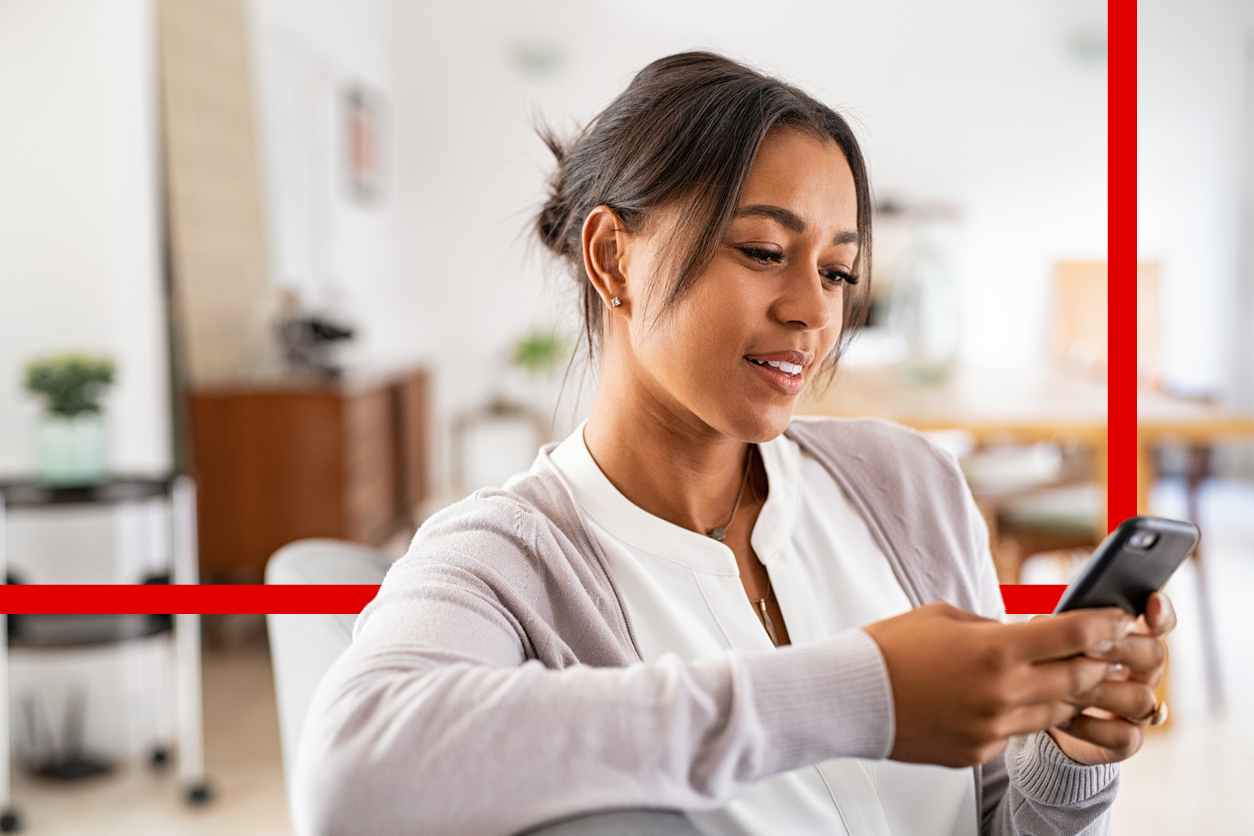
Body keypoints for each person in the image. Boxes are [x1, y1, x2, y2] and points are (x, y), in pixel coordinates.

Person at [293, 52, 1173, 836]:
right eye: (761, 250)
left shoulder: (911, 486)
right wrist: (865, 695)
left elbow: (995, 822)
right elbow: (349, 781)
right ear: (612, 259)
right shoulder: (509, 558)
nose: (813, 311)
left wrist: (1066, 755)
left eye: (837, 271)